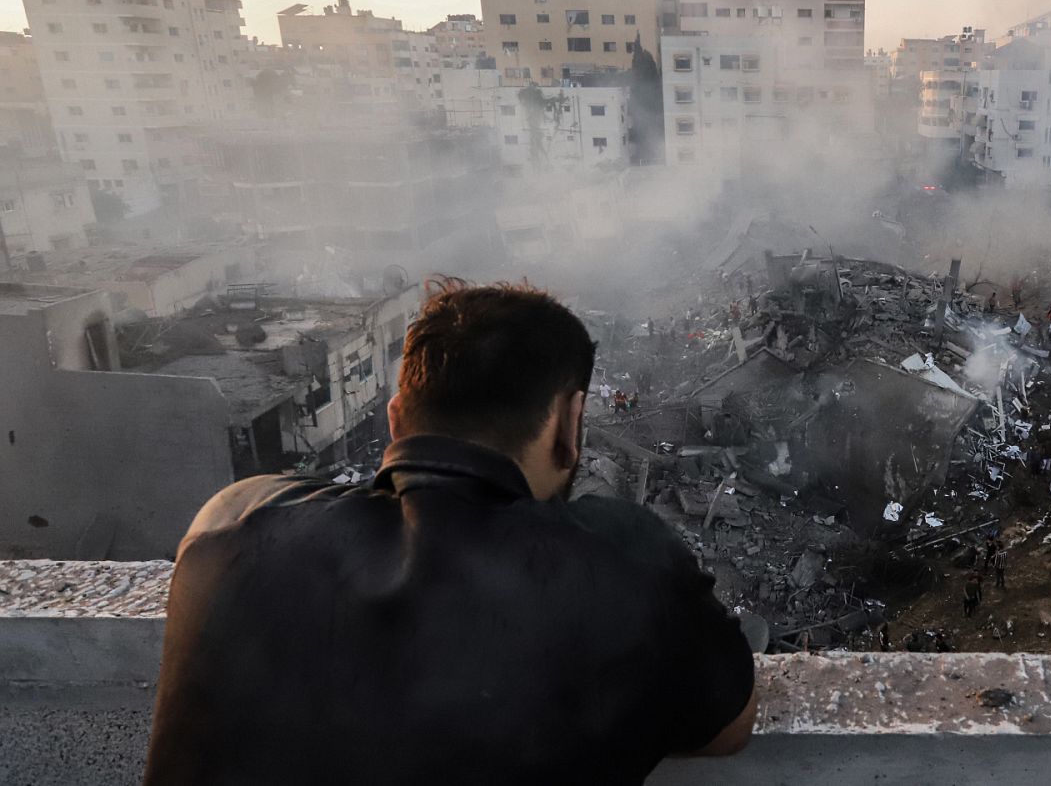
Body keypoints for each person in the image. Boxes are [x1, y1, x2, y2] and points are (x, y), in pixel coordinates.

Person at [143, 279, 757, 785]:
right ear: (572, 425)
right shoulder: (619, 562)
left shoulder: (234, 525)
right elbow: (729, 725)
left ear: (395, 421)